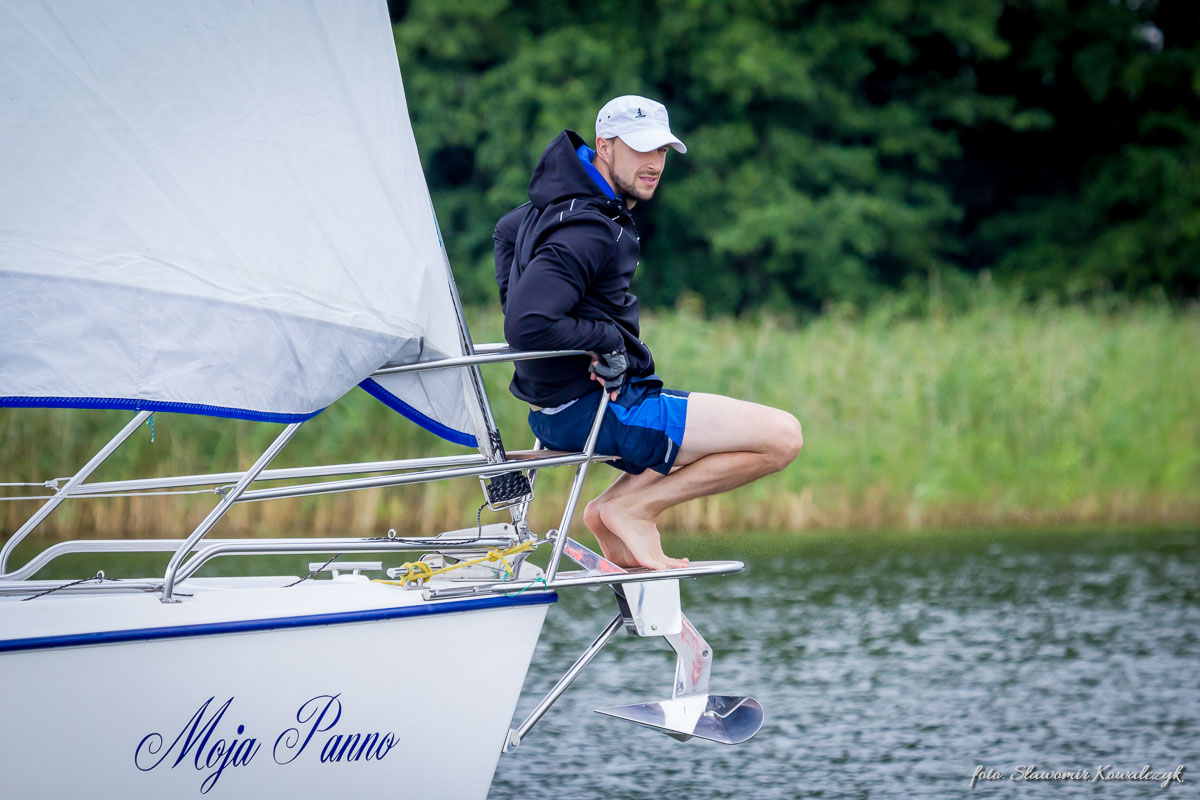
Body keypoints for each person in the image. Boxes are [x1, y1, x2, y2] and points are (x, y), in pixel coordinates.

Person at [494, 95, 803, 570]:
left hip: (558, 410)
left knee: (738, 435)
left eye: (661, 150)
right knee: (782, 438)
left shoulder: (559, 202)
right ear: (604, 146)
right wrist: (604, 340)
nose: (654, 163)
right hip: (599, 410)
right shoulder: (589, 227)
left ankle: (614, 509)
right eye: (640, 149)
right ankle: (633, 508)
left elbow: (505, 230)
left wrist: (547, 325)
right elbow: (526, 324)